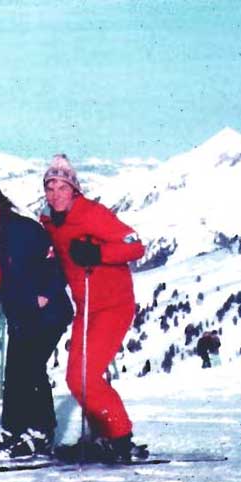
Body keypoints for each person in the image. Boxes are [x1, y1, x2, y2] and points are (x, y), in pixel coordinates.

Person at [38, 154, 146, 462]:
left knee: (84, 377)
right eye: (50, 188)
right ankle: (102, 436)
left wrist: (97, 252)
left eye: (62, 187)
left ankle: (119, 436)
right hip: (86, 307)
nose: (56, 194)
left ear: (74, 189)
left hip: (114, 305)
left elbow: (135, 245)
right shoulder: (52, 223)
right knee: (76, 378)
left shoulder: (92, 214)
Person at [0, 180, 73, 458]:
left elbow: (57, 262)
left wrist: (45, 295)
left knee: (31, 367)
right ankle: (13, 428)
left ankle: (42, 430)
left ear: (0, 205)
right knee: (14, 372)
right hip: (20, 314)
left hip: (48, 312)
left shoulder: (24, 229)